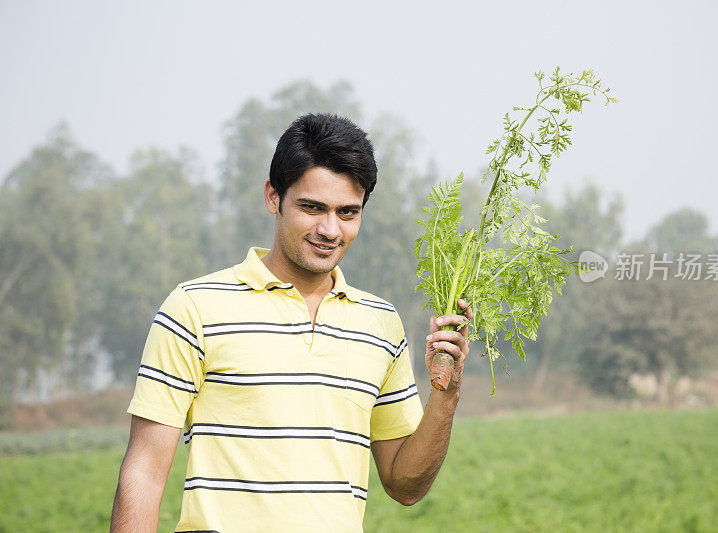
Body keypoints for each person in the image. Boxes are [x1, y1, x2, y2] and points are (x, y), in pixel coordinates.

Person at [110, 113, 472, 532]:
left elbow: (404, 484)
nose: (330, 229)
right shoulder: (194, 308)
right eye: (311, 207)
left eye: (348, 212)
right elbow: (143, 473)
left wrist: (446, 395)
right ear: (272, 197)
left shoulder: (381, 324)